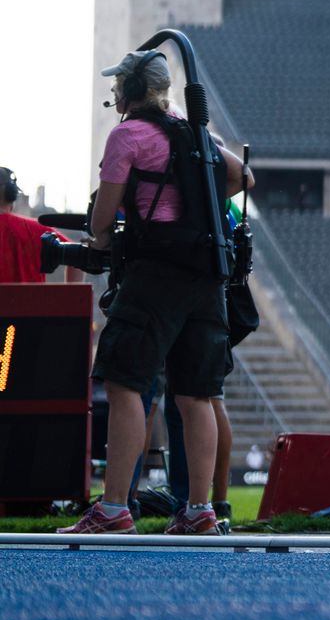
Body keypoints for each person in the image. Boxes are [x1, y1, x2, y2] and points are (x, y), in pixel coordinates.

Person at [61, 50, 251, 536]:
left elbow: (102, 221)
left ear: (127, 91)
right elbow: (241, 176)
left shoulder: (127, 135)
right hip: (206, 275)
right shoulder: (195, 132)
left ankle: (113, 509)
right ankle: (198, 511)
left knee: (126, 384)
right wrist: (198, 209)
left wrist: (103, 238)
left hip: (155, 275)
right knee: (198, 394)